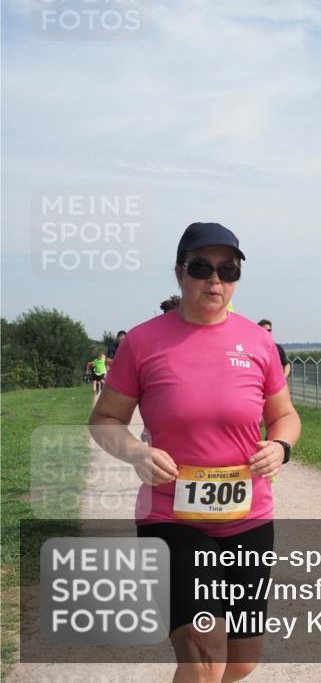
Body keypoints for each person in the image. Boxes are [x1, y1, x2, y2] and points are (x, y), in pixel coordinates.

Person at [89, 222, 300, 682]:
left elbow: (286, 415)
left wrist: (281, 446)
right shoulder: (143, 342)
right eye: (202, 268)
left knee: (241, 662)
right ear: (180, 272)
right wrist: (135, 453)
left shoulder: (259, 342)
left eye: (228, 270)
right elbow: (104, 420)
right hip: (171, 518)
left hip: (248, 517)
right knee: (205, 654)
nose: (215, 280)